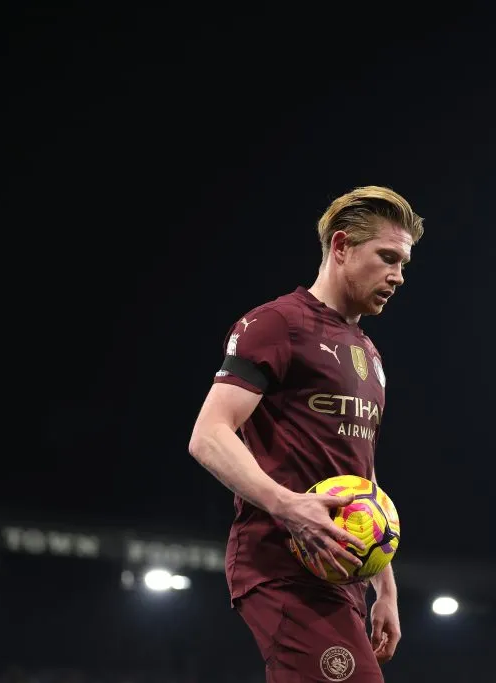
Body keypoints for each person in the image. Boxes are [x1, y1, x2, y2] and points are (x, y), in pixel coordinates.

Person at [188, 186, 423, 682]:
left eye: (403, 263)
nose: (398, 276)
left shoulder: (371, 356)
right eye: (387, 258)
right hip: (280, 563)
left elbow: (362, 477)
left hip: (339, 573)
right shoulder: (276, 324)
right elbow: (209, 435)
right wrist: (287, 505)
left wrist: (386, 587)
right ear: (340, 247)